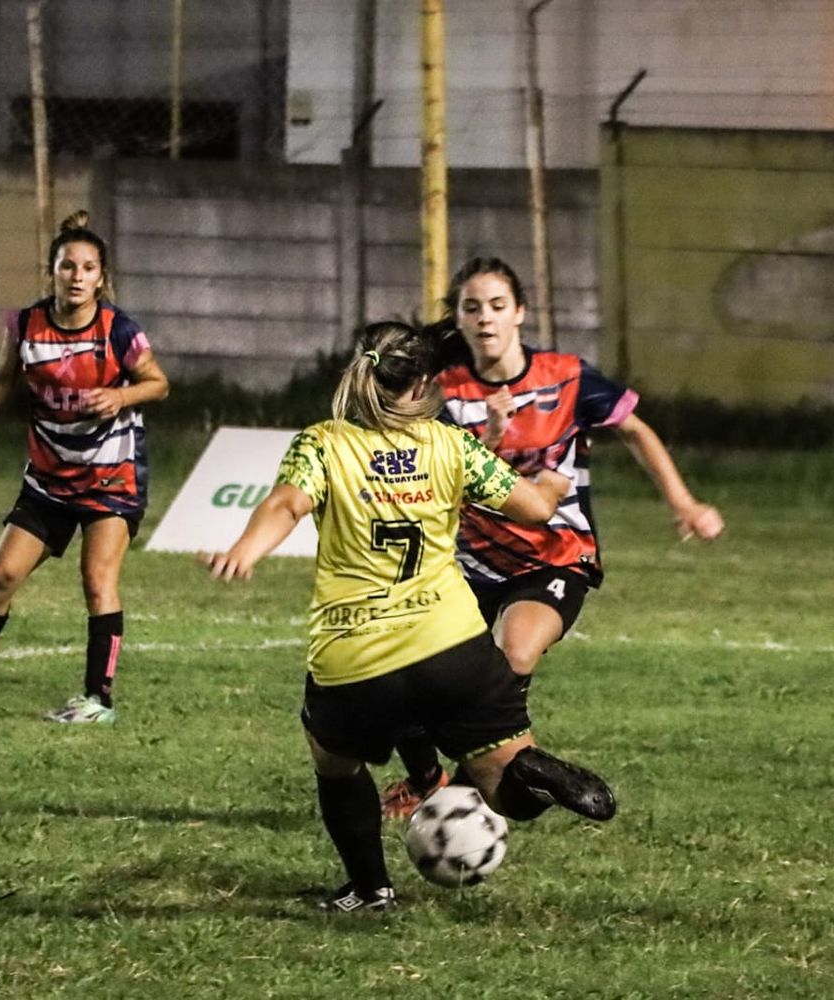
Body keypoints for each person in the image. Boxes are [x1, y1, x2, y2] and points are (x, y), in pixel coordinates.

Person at [200, 320, 616, 914]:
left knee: (335, 764)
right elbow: (534, 510)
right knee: (503, 787)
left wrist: (246, 549)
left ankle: (370, 890)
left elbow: (287, 503)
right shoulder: (450, 444)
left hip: (356, 659)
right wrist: (552, 480)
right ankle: (532, 769)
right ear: (424, 382)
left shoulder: (324, 442)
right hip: (454, 649)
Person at [380, 256, 725, 817]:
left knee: (513, 652)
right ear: (460, 320)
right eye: (472, 308)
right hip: (464, 562)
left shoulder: (565, 378)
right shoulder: (442, 393)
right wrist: (489, 434)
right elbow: (443, 478)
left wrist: (682, 502)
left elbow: (634, 431)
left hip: (553, 556)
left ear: (520, 313)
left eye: (497, 306)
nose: (486, 319)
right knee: (400, 661)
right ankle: (429, 778)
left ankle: (478, 787)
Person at [0, 210, 169, 723]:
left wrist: (120, 397)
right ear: (52, 272)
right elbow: (2, 378)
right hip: (49, 477)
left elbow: (159, 384)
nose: (77, 277)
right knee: (2, 575)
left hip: (111, 477)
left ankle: (98, 699)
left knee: (97, 580)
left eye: (88, 268)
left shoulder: (119, 331)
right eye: (67, 266)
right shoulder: (27, 324)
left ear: (101, 277)